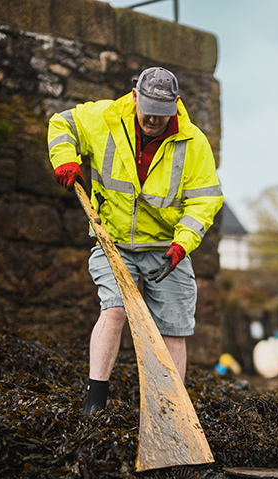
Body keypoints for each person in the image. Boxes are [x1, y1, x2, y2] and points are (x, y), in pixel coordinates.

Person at [47, 67, 223, 414]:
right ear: (135, 96)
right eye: (148, 111)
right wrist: (65, 158)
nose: (153, 120)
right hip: (112, 241)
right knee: (114, 311)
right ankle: (95, 400)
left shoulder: (193, 143)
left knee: (173, 327)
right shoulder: (104, 117)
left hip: (165, 248)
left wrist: (182, 245)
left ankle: (171, 410)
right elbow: (61, 124)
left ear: (175, 106)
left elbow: (204, 200)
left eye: (162, 114)